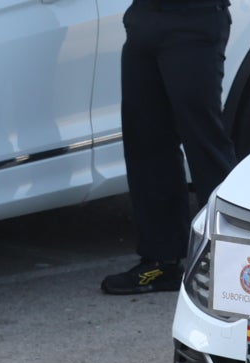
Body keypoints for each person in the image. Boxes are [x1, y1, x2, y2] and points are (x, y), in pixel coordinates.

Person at [103, 0, 236, 296]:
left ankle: (233, 264)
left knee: (205, 145)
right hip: (145, 19)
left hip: (194, 20)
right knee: (147, 144)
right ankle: (160, 262)